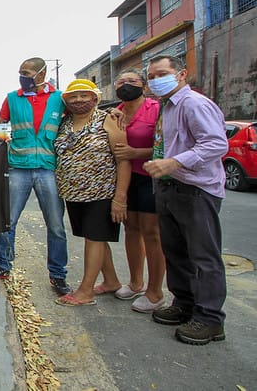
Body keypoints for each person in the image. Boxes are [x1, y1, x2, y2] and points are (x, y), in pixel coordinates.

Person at [143, 55, 229, 346]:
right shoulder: (167, 107)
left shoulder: (194, 103)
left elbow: (216, 143)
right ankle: (185, 303)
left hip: (195, 190)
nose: (155, 80)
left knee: (204, 257)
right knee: (176, 252)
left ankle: (210, 320)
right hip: (169, 189)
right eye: (151, 75)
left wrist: (174, 163)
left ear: (181, 74)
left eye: (161, 73)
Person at [0, 57, 71, 296]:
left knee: (55, 226)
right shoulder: (12, 98)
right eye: (20, 72)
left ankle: (58, 274)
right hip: (18, 167)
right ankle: (3, 265)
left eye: (27, 72)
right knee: (7, 221)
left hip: (48, 169)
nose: (22, 76)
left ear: (42, 74)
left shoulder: (59, 99)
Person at [52, 80, 130, 306]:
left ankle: (86, 291)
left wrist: (120, 198)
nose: (78, 100)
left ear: (95, 98)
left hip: (102, 192)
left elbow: (123, 160)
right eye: (73, 97)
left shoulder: (108, 120)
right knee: (94, 236)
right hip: (73, 193)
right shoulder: (63, 123)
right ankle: (111, 281)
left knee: (95, 237)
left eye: (84, 95)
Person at [107, 69, 168, 312]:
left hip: (150, 177)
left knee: (152, 232)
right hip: (124, 179)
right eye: (121, 82)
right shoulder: (115, 112)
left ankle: (155, 292)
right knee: (130, 228)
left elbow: (168, 145)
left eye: (132, 81)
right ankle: (135, 282)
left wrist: (136, 153)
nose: (125, 85)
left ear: (144, 86)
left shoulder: (157, 109)